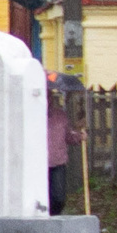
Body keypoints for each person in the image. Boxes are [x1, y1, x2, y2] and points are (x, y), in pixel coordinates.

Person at [45, 80, 83, 216]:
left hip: (58, 162)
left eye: (48, 97)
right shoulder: (31, 115)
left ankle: (54, 217)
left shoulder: (60, 116)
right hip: (38, 165)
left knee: (59, 197)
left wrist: (79, 136)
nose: (47, 100)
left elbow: (68, 135)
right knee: (43, 197)